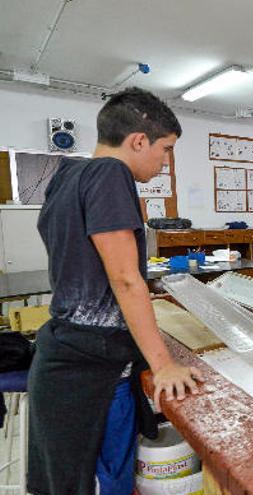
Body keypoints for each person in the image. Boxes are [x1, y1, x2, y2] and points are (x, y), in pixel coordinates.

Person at [29, 87, 203, 495]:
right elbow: (125, 279)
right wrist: (163, 365)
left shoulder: (67, 176)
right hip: (95, 369)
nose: (165, 161)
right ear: (138, 141)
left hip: (63, 354)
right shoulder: (111, 175)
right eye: (165, 149)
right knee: (108, 480)